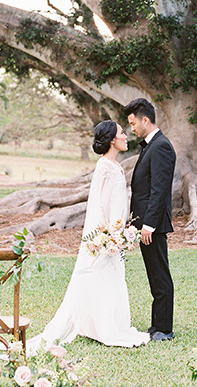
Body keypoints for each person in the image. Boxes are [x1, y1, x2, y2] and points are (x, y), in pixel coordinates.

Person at [27, 120, 149, 351]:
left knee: (111, 276)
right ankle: (105, 328)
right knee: (103, 276)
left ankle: (103, 325)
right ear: (112, 139)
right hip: (107, 232)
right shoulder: (105, 166)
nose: (126, 136)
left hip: (115, 230)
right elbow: (101, 203)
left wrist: (121, 230)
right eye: (122, 133)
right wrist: (109, 234)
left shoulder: (114, 165)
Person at [123, 98, 176, 342]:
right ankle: (157, 326)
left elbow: (159, 189)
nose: (131, 128)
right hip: (146, 224)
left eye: (133, 123)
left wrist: (148, 224)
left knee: (160, 275)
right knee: (154, 275)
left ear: (146, 119)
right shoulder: (150, 146)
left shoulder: (161, 146)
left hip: (152, 226)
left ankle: (164, 329)